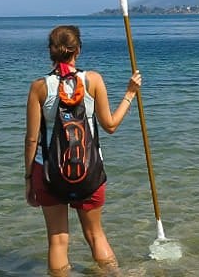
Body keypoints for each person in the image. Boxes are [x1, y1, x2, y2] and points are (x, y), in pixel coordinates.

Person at [25, 25, 141, 275]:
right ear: (78, 49)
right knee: (96, 236)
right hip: (90, 172)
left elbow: (32, 139)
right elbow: (109, 125)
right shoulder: (94, 80)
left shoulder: (39, 87)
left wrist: (28, 179)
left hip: (48, 173)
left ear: (51, 52)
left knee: (57, 240)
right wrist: (130, 94)